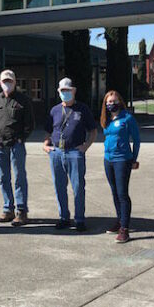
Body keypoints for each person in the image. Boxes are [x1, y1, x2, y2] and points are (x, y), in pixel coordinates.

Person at [43, 78, 97, 232]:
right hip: (56, 153)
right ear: (59, 92)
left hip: (75, 152)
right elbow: (48, 130)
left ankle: (79, 219)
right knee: (59, 187)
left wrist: (85, 146)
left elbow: (93, 130)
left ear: (73, 91)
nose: (65, 93)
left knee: (78, 187)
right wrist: (45, 145)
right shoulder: (54, 110)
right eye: (62, 91)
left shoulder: (82, 109)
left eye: (68, 90)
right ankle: (63, 217)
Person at [0, 69, 34, 226]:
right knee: (3, 178)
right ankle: (8, 209)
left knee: (19, 177)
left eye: (10, 81)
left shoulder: (23, 100)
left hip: (16, 145)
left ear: (15, 82)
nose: (7, 83)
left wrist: (22, 139)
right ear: (0, 83)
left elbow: (30, 123)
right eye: (4, 81)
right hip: (0, 145)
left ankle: (21, 211)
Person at [101, 90, 140, 244]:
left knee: (122, 193)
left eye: (114, 101)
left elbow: (136, 140)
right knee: (114, 192)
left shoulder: (127, 118)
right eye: (108, 102)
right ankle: (119, 220)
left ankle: (125, 228)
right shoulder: (107, 119)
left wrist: (134, 159)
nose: (111, 104)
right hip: (108, 159)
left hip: (122, 159)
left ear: (120, 102)